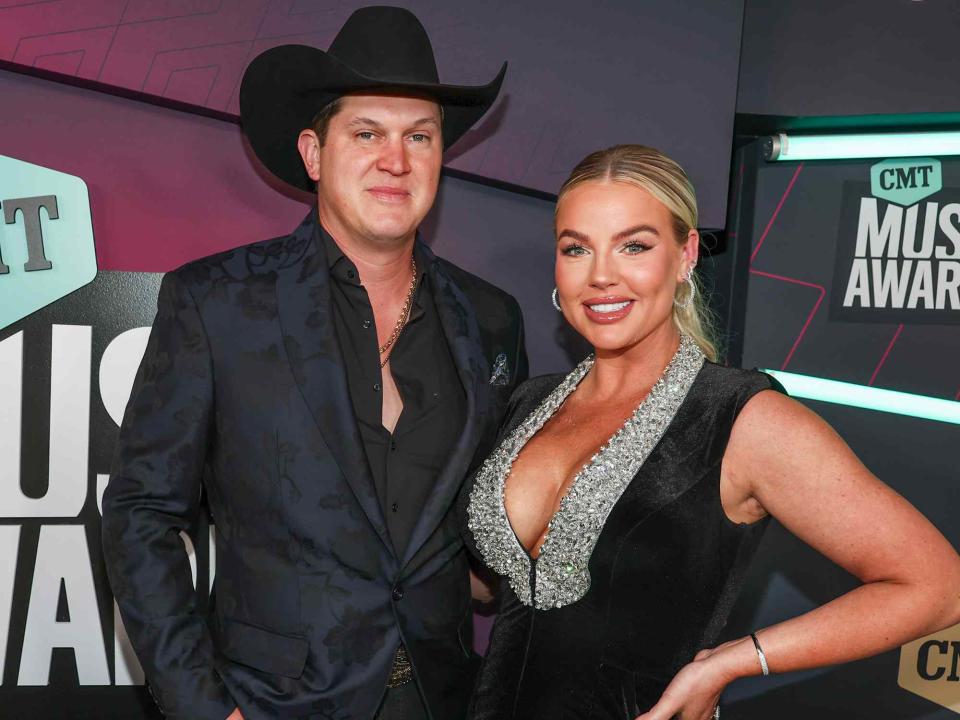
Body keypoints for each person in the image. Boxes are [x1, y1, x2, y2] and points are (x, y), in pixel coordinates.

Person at [102, 7, 527, 720]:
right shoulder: (216, 303)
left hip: (444, 699)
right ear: (313, 153)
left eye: (418, 136)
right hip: (271, 703)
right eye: (367, 133)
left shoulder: (491, 319)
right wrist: (207, 711)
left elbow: (491, 524)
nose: (396, 159)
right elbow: (141, 515)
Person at [463, 144, 960, 720]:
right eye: (577, 248)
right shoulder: (528, 404)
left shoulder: (742, 419)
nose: (601, 275)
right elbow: (493, 586)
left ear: (685, 254)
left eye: (635, 245)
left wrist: (733, 661)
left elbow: (937, 585)